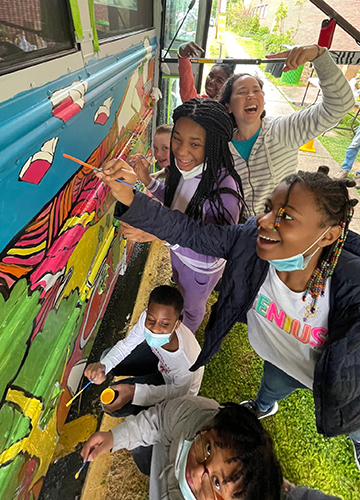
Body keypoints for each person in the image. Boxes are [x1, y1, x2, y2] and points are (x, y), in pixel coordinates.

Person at [94, 161, 360, 471]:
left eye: (285, 217)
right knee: (273, 384)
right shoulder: (249, 241)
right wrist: (130, 197)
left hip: (331, 376)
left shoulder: (351, 288)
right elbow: (189, 231)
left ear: (328, 235)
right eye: (268, 208)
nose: (265, 221)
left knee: (355, 420)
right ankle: (262, 406)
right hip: (278, 358)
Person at [125, 98, 244, 333]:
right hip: (180, 257)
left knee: (192, 305)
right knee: (179, 285)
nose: (181, 151)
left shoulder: (225, 192)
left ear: (214, 145)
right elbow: (176, 202)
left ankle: (185, 335)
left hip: (200, 271)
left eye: (195, 144)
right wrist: (147, 180)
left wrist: (159, 234)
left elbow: (211, 257)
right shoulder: (185, 170)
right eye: (176, 139)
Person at [81, 395, 342, 500]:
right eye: (207, 450)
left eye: (216, 483)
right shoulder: (199, 416)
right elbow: (161, 420)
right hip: (160, 466)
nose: (196, 473)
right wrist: (116, 437)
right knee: (143, 456)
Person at [218, 45, 354, 216]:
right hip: (240, 231)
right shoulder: (221, 146)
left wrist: (319, 56)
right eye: (242, 92)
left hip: (281, 228)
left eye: (256, 90)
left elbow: (340, 105)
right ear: (228, 105)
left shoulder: (284, 129)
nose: (251, 95)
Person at [84, 285, 203, 417]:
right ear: (147, 312)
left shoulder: (187, 365)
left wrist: (134, 391)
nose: (155, 329)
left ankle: (144, 390)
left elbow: (175, 394)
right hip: (159, 360)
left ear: (177, 324)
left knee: (114, 405)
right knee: (107, 356)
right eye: (151, 320)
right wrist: (103, 367)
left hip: (173, 389)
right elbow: (126, 345)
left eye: (164, 324)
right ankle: (146, 377)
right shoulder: (147, 319)